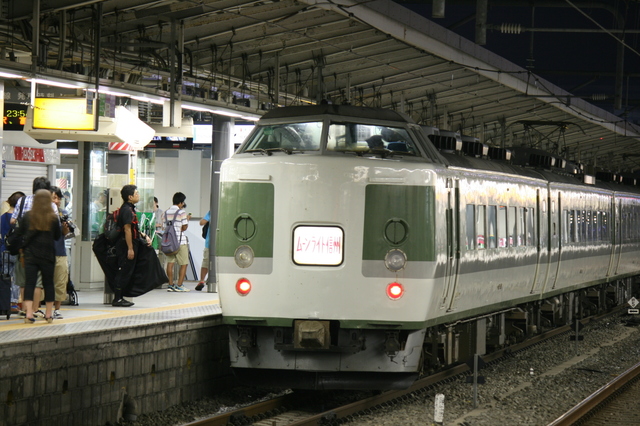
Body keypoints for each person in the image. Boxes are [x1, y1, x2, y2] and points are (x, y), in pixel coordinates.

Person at [11, 177, 58, 318]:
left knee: (29, 283)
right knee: (48, 283)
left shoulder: (27, 216)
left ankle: (29, 313)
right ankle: (49, 313)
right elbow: (57, 236)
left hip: (30, 254)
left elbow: (18, 232)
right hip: (48, 254)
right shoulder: (53, 217)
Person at [112, 184, 152, 307]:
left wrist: (144, 236)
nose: (138, 195)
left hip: (130, 243)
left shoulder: (130, 209)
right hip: (126, 245)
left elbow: (134, 228)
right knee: (124, 271)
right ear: (130, 197)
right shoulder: (127, 210)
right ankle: (117, 298)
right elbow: (127, 230)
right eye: (136, 193)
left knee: (127, 270)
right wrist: (130, 248)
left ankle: (121, 296)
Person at [0, 191, 26, 312]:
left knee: (4, 277)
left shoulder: (2, 217)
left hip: (3, 251)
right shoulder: (18, 219)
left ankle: (3, 302)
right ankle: (13, 303)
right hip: (16, 252)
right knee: (16, 278)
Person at [51, 186, 73, 319]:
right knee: (42, 283)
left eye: (58, 198)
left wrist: (66, 230)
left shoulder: (63, 213)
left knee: (60, 282)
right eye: (54, 197)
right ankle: (39, 309)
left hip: (60, 251)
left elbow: (65, 235)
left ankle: (57, 309)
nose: (57, 200)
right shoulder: (42, 214)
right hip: (45, 252)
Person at [164, 192, 191, 292]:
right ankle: (179, 285)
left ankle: (170, 285)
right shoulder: (181, 212)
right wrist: (187, 219)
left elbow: (165, 225)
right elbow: (184, 228)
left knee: (170, 263)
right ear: (180, 202)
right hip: (180, 241)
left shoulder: (166, 212)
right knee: (184, 263)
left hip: (169, 241)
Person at [197, 211, 210, 291]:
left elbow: (201, 222)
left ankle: (204, 280)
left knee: (206, 262)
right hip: (210, 242)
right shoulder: (212, 211)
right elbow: (201, 222)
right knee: (206, 262)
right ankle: (203, 281)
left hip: (214, 243)